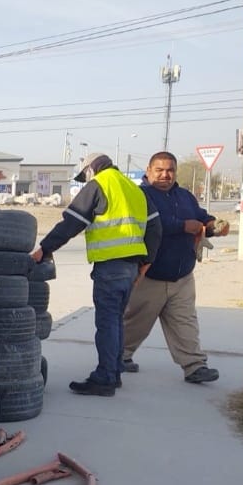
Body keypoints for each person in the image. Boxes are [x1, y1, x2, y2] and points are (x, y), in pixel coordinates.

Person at [30, 152, 162, 396]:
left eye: (85, 175)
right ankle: (114, 372)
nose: (86, 180)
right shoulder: (134, 189)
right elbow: (155, 228)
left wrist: (45, 249)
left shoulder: (99, 185)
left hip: (110, 266)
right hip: (131, 266)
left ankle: (105, 378)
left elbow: (72, 222)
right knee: (116, 321)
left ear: (92, 168)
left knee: (107, 322)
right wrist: (145, 263)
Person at [121, 151, 228, 383]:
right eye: (159, 170)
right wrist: (182, 226)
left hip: (182, 277)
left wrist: (214, 225)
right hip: (149, 276)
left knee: (185, 322)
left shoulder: (185, 196)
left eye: (169, 170)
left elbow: (200, 218)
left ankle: (195, 366)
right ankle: (120, 356)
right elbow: (145, 225)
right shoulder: (138, 195)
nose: (165, 175)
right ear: (148, 171)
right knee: (134, 323)